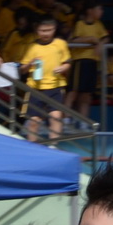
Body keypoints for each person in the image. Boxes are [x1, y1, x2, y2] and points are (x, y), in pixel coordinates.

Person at [19, 16, 70, 144]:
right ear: (36, 30)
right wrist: (30, 63)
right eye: (42, 30)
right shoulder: (32, 47)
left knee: (56, 118)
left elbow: (68, 62)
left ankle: (54, 146)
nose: (46, 33)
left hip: (55, 87)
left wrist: (62, 68)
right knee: (34, 121)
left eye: (49, 30)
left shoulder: (60, 44)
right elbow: (22, 69)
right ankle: (32, 148)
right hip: (35, 88)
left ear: (54, 29)